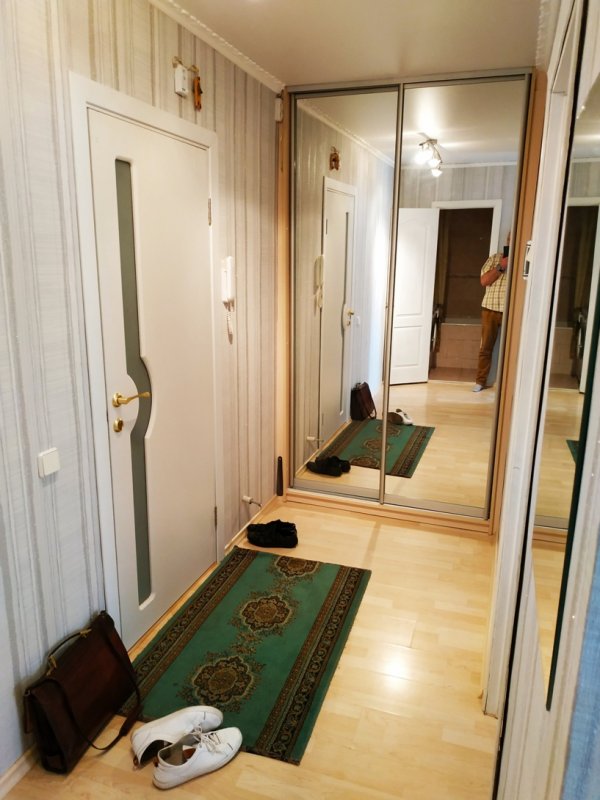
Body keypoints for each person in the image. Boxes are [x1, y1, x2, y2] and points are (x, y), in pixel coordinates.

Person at [473, 237, 509, 392]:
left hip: (511, 311)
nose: (512, 242)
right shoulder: (495, 258)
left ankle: (508, 385)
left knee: (512, 349)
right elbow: (484, 281)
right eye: (510, 239)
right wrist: (501, 266)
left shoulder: (524, 260)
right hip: (490, 309)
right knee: (485, 348)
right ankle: (480, 381)